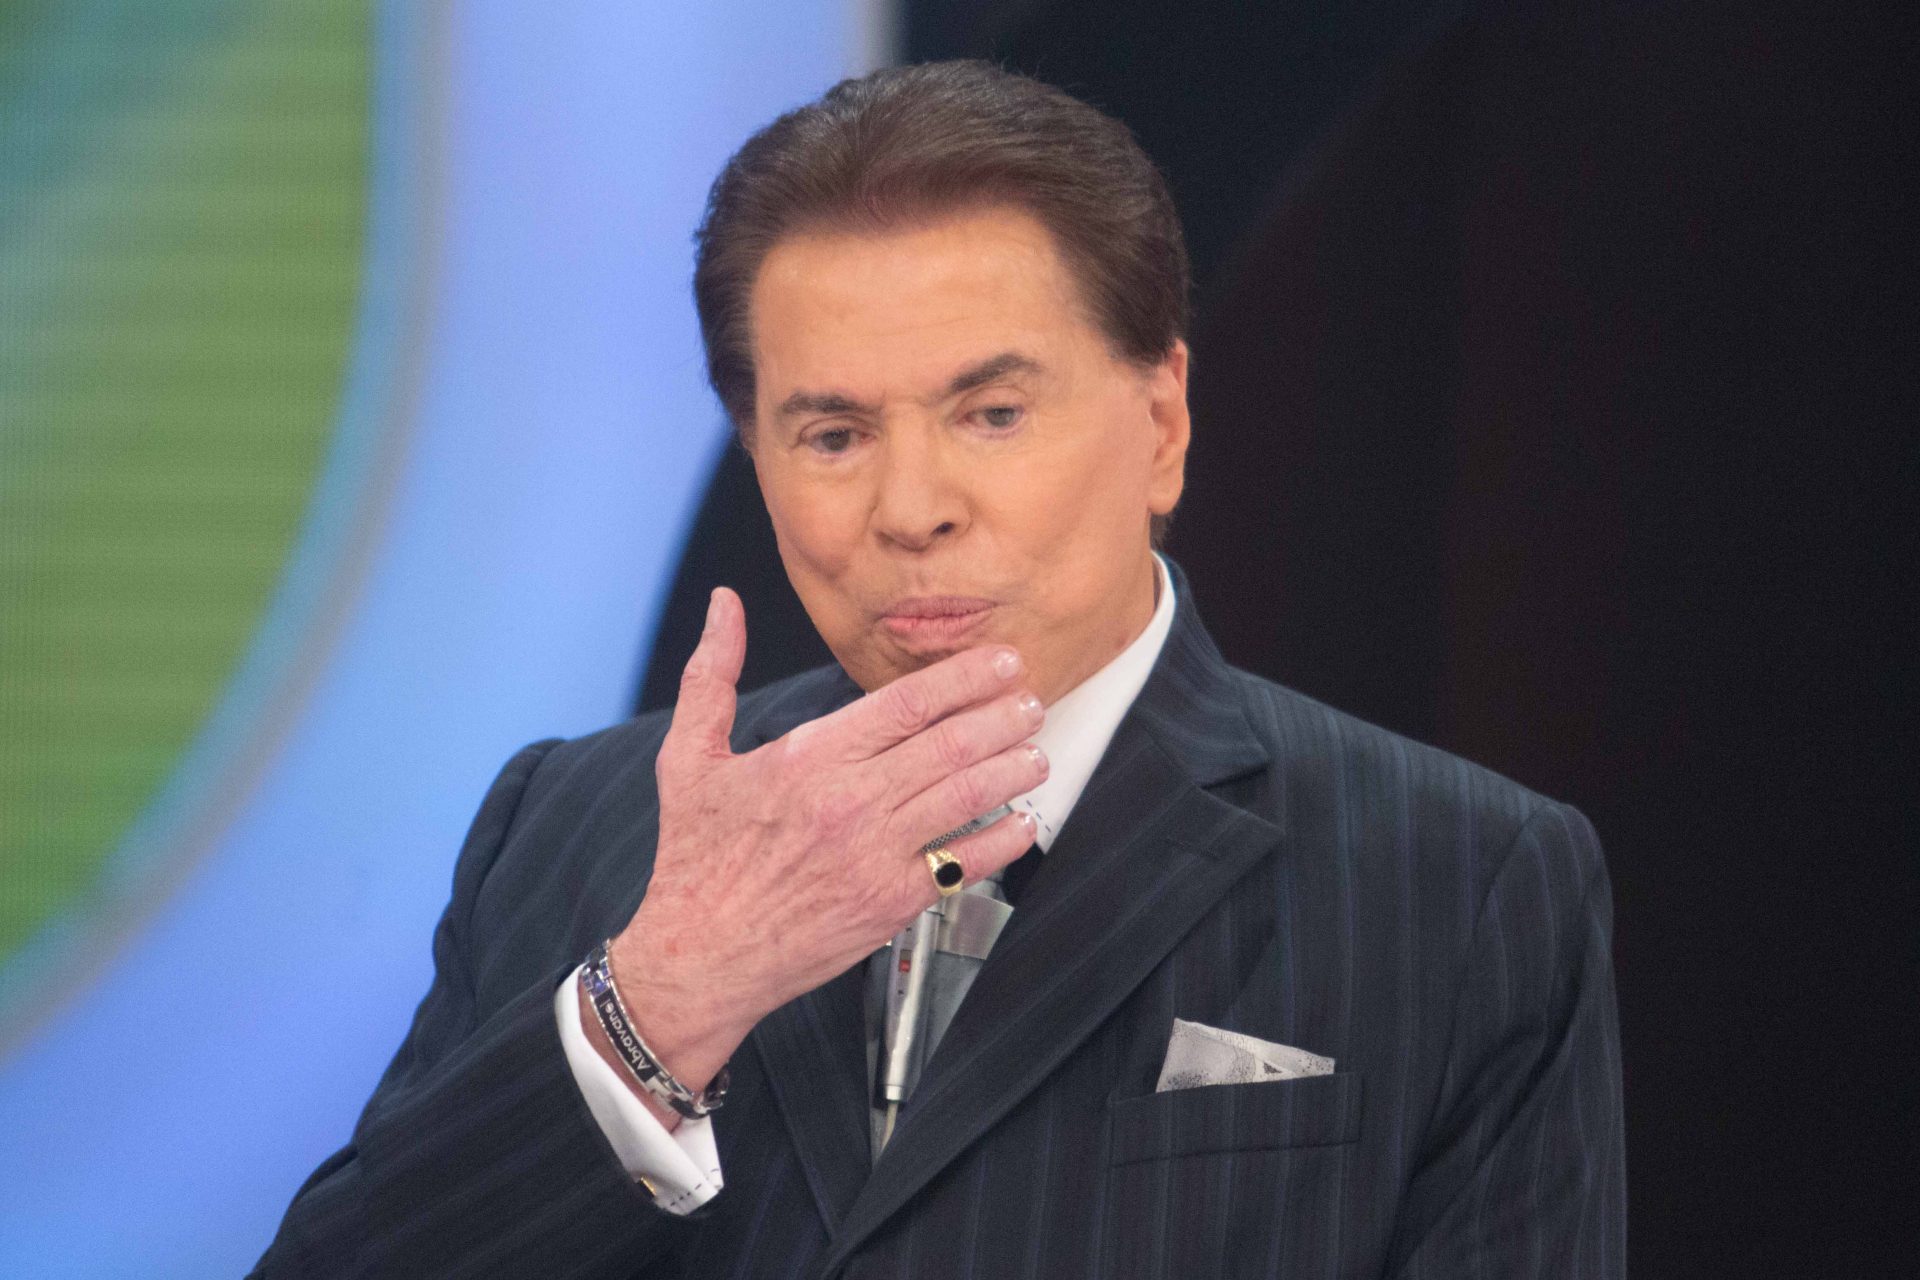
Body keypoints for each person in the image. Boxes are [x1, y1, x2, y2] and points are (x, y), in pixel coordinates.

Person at [254, 61, 1624, 1279]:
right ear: (756, 458)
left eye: (993, 413)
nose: (911, 508)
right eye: (834, 436)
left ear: (1162, 424)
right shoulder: (565, 827)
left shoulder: (1464, 880)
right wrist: (662, 1005)